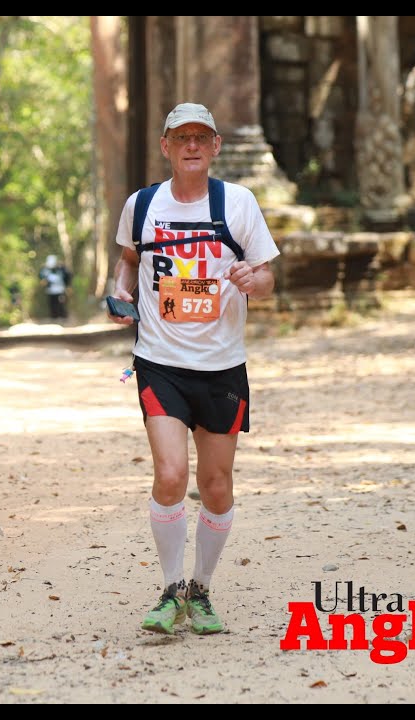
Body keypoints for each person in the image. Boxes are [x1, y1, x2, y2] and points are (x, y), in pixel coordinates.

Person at [107, 102, 280, 635]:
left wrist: (255, 281)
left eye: (201, 137)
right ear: (166, 147)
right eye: (181, 137)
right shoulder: (142, 205)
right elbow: (129, 261)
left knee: (216, 484)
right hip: (160, 363)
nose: (191, 146)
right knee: (170, 474)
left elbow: (268, 274)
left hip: (223, 365)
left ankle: (201, 590)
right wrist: (119, 290)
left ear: (216, 146)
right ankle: (170, 589)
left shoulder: (239, 203)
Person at [38, 254, 72, 320]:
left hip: (60, 290)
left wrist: (68, 286)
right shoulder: (45, 269)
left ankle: (63, 317)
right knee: (52, 304)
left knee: (61, 304)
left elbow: (68, 276)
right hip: (50, 290)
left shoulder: (62, 268)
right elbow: (41, 277)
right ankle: (54, 317)